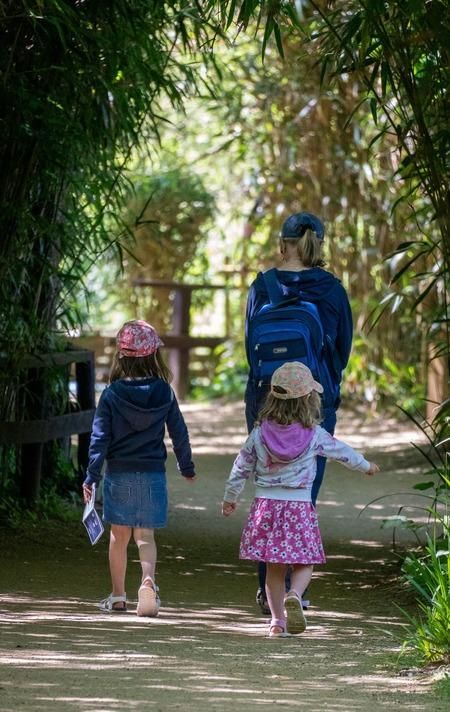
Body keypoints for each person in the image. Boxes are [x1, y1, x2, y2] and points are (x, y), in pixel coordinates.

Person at [244, 211, 353, 613]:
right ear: (317, 244)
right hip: (315, 400)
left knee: (268, 491)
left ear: (282, 243)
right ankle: (296, 591)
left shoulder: (262, 286)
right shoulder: (332, 290)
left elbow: (249, 348)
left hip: (265, 398)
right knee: (302, 493)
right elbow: (342, 350)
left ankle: (267, 590)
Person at [222, 361, 379, 637]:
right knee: (305, 561)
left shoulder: (259, 434)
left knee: (273, 567)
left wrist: (230, 498)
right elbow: (341, 452)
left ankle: (276, 622)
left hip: (266, 507)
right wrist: (365, 465)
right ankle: (295, 593)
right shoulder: (315, 435)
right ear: (309, 400)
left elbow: (240, 467)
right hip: (298, 507)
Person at [82, 319, 196, 616]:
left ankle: (118, 596)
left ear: (121, 356)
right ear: (153, 355)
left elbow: (99, 438)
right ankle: (148, 582)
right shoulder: (164, 392)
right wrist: (187, 466)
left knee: (119, 537)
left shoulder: (111, 395)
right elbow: (179, 432)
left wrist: (92, 475)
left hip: (119, 472)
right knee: (145, 536)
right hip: (152, 473)